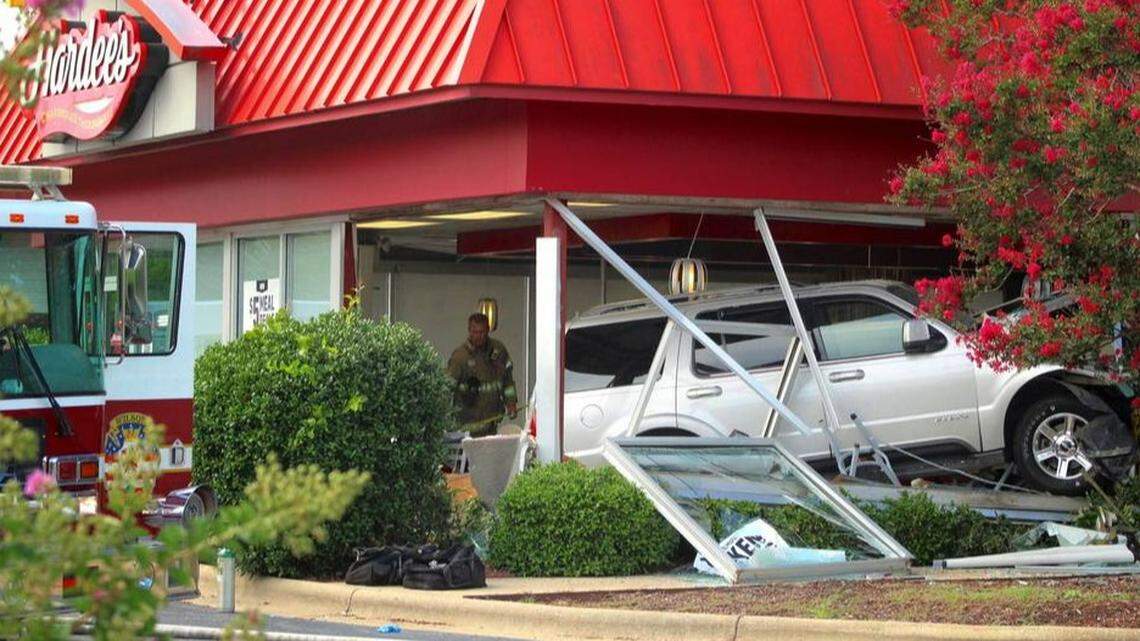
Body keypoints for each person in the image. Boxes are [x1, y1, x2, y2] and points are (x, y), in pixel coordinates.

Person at [447, 313, 518, 437]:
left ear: (488, 329)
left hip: (491, 423)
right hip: (467, 426)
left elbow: (507, 382)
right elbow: (447, 388)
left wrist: (511, 403)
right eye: (475, 332)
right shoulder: (460, 357)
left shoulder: (498, 350)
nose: (478, 336)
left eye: (482, 332)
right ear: (469, 331)